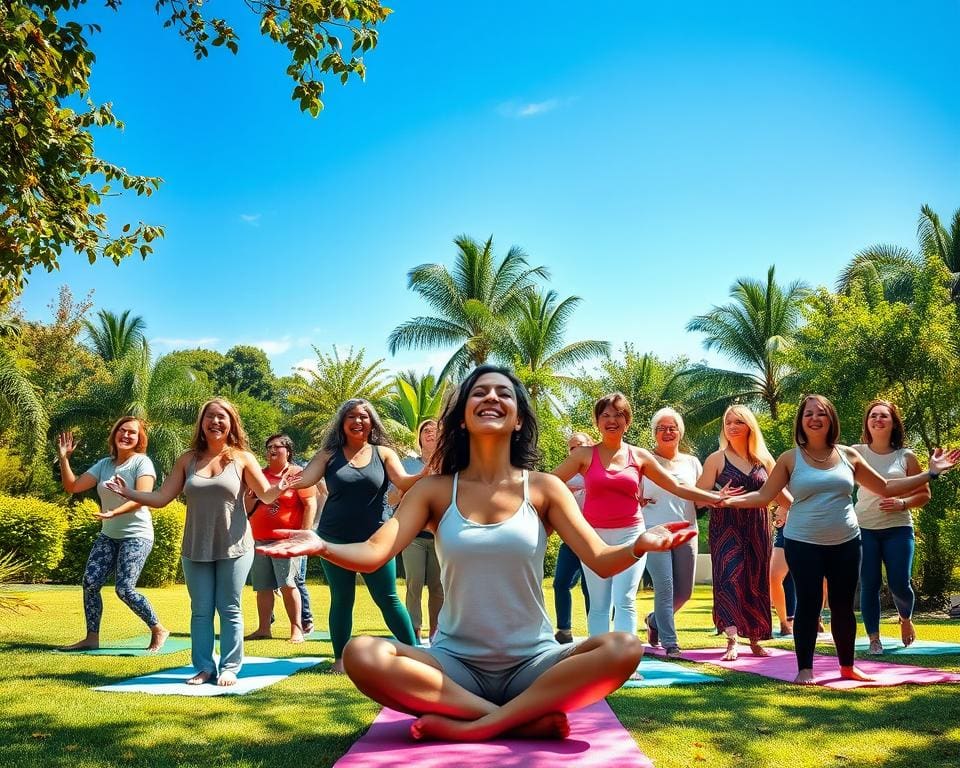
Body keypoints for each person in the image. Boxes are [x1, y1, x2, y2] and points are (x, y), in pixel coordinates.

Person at [259, 365, 706, 742]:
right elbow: (377, 551)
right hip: (454, 666)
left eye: (504, 393)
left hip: (536, 663)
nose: (491, 397)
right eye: (480, 392)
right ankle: (513, 720)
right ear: (461, 418)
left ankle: (472, 726)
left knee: (624, 647)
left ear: (517, 419)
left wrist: (638, 545)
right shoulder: (435, 491)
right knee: (360, 654)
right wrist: (323, 544)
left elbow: (601, 559)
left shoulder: (545, 488)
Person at [722, 394, 959, 684]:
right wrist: (726, 502)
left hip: (846, 541)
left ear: (831, 419)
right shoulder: (789, 458)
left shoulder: (849, 455)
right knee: (809, 604)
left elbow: (886, 487)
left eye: (821, 413)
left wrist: (930, 473)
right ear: (801, 421)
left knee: (843, 606)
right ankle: (805, 669)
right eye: (808, 414)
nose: (814, 418)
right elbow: (763, 496)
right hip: (802, 541)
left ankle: (847, 667)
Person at [106, 398, 286, 686]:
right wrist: (130, 493)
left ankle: (229, 667)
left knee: (229, 607)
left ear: (231, 424)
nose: (215, 422)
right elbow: (162, 497)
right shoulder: (187, 459)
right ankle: (204, 667)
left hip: (235, 545)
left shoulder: (242, 458)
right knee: (200, 609)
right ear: (202, 423)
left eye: (221, 417)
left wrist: (283, 485)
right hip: (195, 546)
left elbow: (265, 495)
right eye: (210, 417)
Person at [552, 392, 727, 639]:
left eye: (618, 415)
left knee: (624, 600)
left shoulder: (640, 456)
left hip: (631, 535)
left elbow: (675, 486)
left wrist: (714, 497)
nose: (612, 420)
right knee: (600, 604)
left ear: (628, 421)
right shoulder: (583, 455)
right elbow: (551, 482)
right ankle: (601, 659)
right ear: (597, 421)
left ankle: (626, 660)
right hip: (593, 538)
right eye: (605, 415)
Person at [283, 399, 422, 673]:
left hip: (376, 539)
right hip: (334, 537)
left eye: (364, 416)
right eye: (351, 416)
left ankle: (416, 656)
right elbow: (305, 480)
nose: (358, 421)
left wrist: (429, 472)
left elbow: (403, 482)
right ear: (342, 422)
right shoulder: (328, 455)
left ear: (372, 423)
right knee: (342, 597)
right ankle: (341, 660)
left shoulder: (384, 453)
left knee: (388, 598)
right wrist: (276, 485)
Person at [56, 418, 169, 652]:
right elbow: (73, 487)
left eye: (132, 433)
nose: (126, 436)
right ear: (115, 434)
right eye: (122, 431)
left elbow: (142, 497)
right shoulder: (104, 465)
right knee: (90, 583)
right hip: (109, 534)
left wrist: (114, 512)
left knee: (124, 589)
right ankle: (91, 637)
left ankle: (158, 628)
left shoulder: (142, 463)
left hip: (137, 534)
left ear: (139, 439)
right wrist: (64, 459)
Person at [698, 405, 791, 660]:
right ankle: (731, 639)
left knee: (756, 579)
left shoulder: (764, 459)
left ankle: (755, 639)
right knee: (729, 576)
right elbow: (697, 499)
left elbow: (782, 495)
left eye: (738, 422)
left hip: (758, 527)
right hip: (726, 526)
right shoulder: (716, 459)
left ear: (749, 425)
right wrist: (718, 496)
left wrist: (793, 509)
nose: (731, 427)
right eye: (728, 422)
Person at [853, 399, 929, 654]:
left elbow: (924, 494)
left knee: (899, 583)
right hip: (864, 528)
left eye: (883, 416)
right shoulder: (856, 452)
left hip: (898, 529)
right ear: (867, 422)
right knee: (869, 583)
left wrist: (902, 503)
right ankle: (874, 638)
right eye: (873, 415)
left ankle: (905, 618)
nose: (877, 420)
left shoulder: (905, 456)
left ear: (893, 422)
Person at [244, 434, 318, 643]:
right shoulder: (259, 474)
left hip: (287, 541)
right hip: (259, 539)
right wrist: (250, 498)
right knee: (263, 587)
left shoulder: (297, 475)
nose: (272, 450)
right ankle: (263, 628)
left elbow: (310, 504)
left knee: (289, 584)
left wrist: (303, 535)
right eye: (269, 447)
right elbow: (248, 507)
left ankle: (296, 629)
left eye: (277, 446)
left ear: (288, 451)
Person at [640, 408, 702, 658]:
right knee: (664, 588)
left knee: (684, 592)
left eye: (672, 427)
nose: (667, 432)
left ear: (680, 432)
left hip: (687, 531)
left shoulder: (692, 463)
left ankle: (654, 621)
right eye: (662, 428)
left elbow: (701, 495)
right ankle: (670, 643)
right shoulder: (644, 460)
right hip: (655, 531)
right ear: (654, 433)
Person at [387, 419, 444, 644]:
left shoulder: (452, 465)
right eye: (425, 431)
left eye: (435, 430)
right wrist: (405, 489)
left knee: (439, 587)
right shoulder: (406, 465)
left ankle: (437, 635)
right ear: (419, 439)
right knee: (414, 583)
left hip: (441, 536)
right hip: (413, 536)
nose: (430, 434)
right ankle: (414, 633)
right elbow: (391, 500)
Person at [552, 432, 592, 644]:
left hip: (594, 539)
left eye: (580, 445)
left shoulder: (596, 472)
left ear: (590, 446)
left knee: (590, 588)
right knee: (560, 583)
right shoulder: (564, 476)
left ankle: (595, 631)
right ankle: (564, 630)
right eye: (572, 448)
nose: (575, 450)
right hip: (570, 540)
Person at [769, 505, 796, 636]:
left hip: (810, 523)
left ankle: (814, 618)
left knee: (800, 579)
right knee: (775, 576)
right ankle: (784, 622)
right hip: (786, 527)